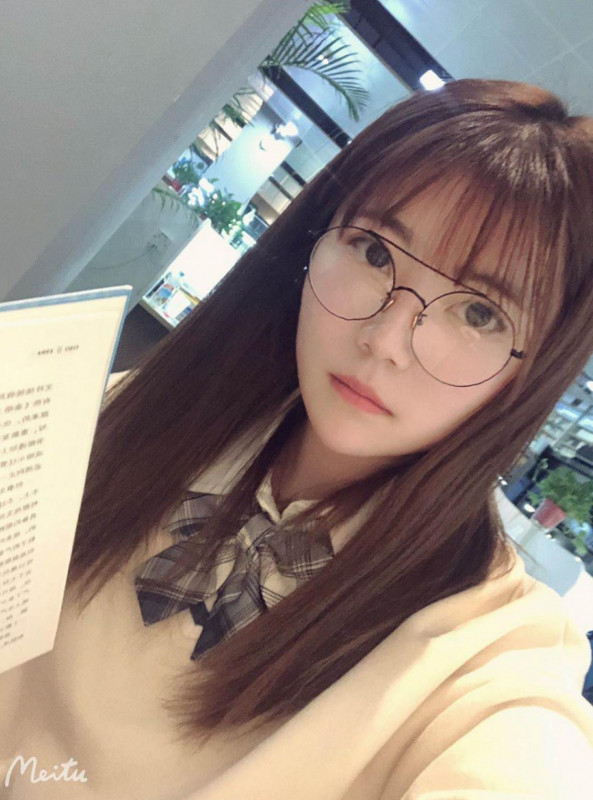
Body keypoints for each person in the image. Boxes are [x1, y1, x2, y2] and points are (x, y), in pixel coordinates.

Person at [2, 78, 593, 799]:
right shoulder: (138, 414)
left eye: (478, 314)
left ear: (533, 373)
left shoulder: (486, 647)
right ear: (313, 240)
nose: (385, 341)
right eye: (375, 252)